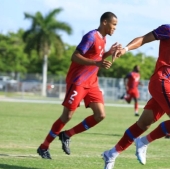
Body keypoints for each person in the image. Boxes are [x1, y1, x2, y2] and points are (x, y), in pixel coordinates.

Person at [102, 1, 170, 168]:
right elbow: (143, 39)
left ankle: (111, 154)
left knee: (143, 124)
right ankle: (143, 142)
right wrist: (126, 49)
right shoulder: (169, 29)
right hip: (163, 81)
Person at [36, 11, 121, 159]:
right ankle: (44, 147)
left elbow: (96, 56)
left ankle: (67, 135)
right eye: (114, 24)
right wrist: (97, 63)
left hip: (92, 83)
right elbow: (75, 56)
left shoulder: (103, 39)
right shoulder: (91, 36)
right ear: (104, 22)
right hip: (78, 81)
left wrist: (109, 53)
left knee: (100, 115)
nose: (115, 28)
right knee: (67, 116)